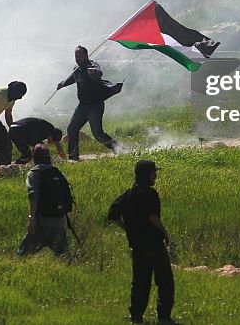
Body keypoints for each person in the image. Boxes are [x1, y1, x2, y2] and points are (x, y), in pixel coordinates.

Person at [108, 160, 176, 325]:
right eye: (154, 173)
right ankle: (164, 317)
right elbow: (153, 217)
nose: (156, 176)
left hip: (137, 247)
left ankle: (136, 316)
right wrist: (165, 233)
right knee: (165, 282)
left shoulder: (128, 195)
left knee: (140, 283)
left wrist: (128, 229)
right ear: (147, 175)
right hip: (154, 245)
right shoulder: (151, 194)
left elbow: (113, 215)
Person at [59, 45, 122, 161]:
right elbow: (72, 78)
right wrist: (63, 84)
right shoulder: (76, 69)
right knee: (72, 129)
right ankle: (73, 157)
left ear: (86, 56)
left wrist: (93, 72)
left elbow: (98, 72)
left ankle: (117, 147)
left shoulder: (92, 65)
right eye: (76, 56)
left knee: (98, 134)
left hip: (95, 106)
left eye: (80, 56)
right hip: (82, 106)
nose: (78, 58)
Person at [17, 144, 72, 257]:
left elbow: (33, 195)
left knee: (23, 255)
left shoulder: (34, 173)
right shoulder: (57, 172)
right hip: (59, 219)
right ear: (49, 157)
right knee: (64, 255)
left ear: (34, 157)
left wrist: (31, 218)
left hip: (42, 220)